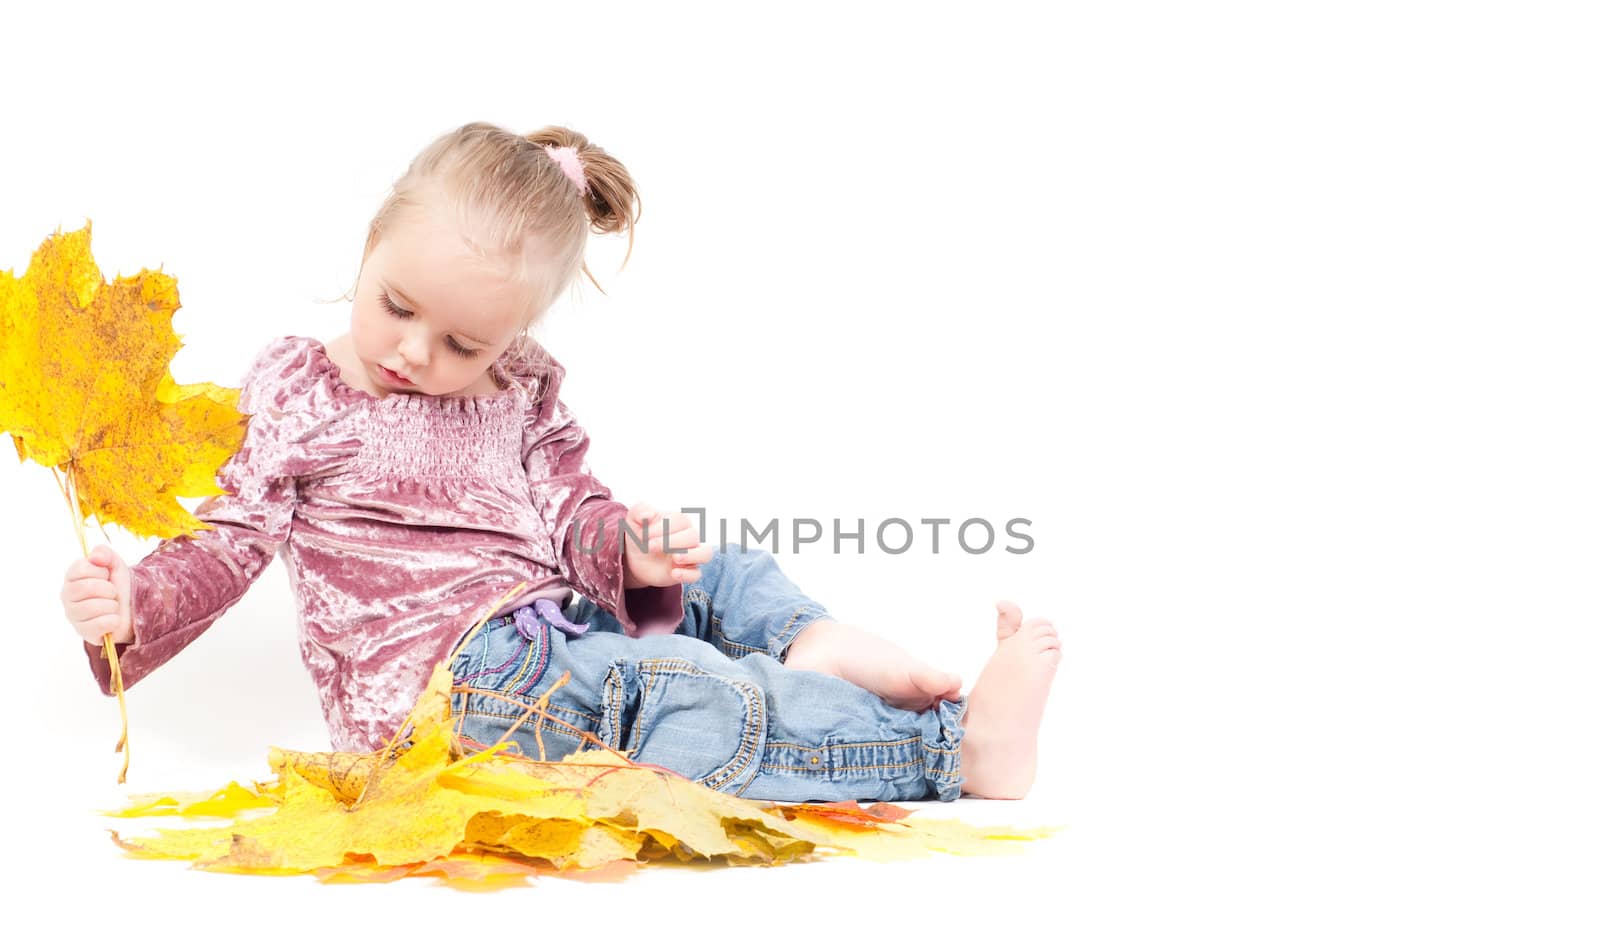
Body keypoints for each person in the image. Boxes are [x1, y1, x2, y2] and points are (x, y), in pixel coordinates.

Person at [59, 122, 1059, 801]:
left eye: (463, 344)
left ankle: (807, 638)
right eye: (399, 308)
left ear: (511, 335)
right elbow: (228, 541)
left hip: (558, 609)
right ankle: (955, 750)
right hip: (459, 688)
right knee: (674, 689)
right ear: (369, 247)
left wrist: (623, 550)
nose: (416, 355)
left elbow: (571, 511)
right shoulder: (298, 393)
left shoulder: (520, 388)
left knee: (719, 565)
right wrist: (137, 602)